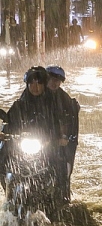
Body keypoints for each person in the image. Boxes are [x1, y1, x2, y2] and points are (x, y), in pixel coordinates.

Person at [0, 66, 68, 194]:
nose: (35, 86)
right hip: (22, 147)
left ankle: (60, 195)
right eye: (31, 83)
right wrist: (3, 134)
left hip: (47, 146)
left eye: (39, 83)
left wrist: (61, 138)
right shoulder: (19, 105)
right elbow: (10, 123)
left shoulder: (53, 105)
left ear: (44, 85)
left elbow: (60, 124)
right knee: (2, 154)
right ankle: (7, 190)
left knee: (60, 163)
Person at [46, 65, 80, 200]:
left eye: (58, 80)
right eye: (52, 79)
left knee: (63, 169)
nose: (55, 83)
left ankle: (63, 197)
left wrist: (65, 137)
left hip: (58, 143)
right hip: (37, 141)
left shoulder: (65, 100)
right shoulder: (32, 95)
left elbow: (70, 122)